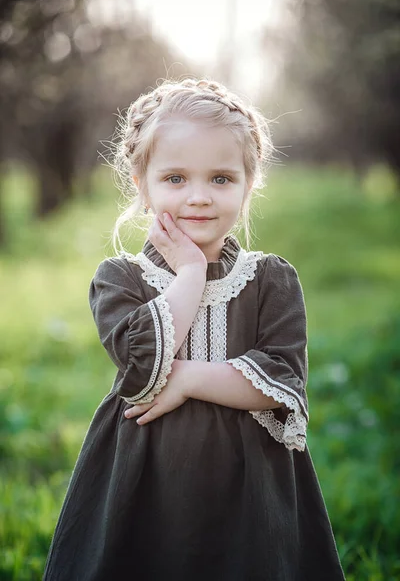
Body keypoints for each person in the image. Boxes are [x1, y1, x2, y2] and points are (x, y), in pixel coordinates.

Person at [43, 77, 345, 580]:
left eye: (221, 179)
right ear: (142, 186)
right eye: (176, 179)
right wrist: (189, 274)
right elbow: (144, 369)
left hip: (251, 486)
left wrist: (186, 378)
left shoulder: (271, 279)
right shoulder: (120, 279)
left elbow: (282, 380)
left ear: (250, 184)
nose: (199, 197)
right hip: (145, 476)